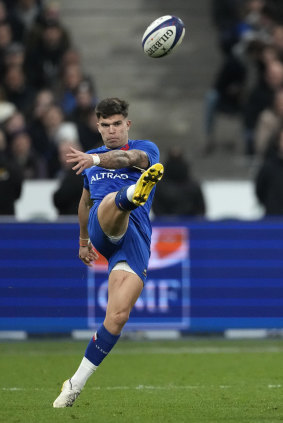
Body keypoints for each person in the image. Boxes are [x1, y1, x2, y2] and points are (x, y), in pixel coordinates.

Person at [53, 97, 164, 408]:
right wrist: (82, 240)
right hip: (102, 228)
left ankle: (75, 383)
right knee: (108, 202)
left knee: (117, 316)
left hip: (135, 242)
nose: (112, 130)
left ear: (127, 124)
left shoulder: (146, 150)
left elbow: (127, 159)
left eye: (118, 124)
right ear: (98, 127)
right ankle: (130, 196)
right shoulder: (91, 159)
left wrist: (97, 161)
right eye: (106, 125)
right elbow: (84, 202)